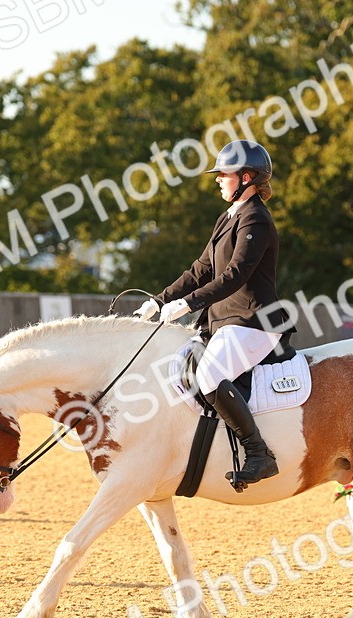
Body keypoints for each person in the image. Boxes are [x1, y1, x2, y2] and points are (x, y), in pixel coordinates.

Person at [134, 140, 289, 490]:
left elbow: (235, 275)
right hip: (225, 323)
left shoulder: (256, 220)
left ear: (246, 177)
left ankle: (259, 452)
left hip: (255, 322)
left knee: (209, 376)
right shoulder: (228, 218)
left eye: (224, 174)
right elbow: (200, 269)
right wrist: (160, 300)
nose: (218, 180)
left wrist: (188, 305)